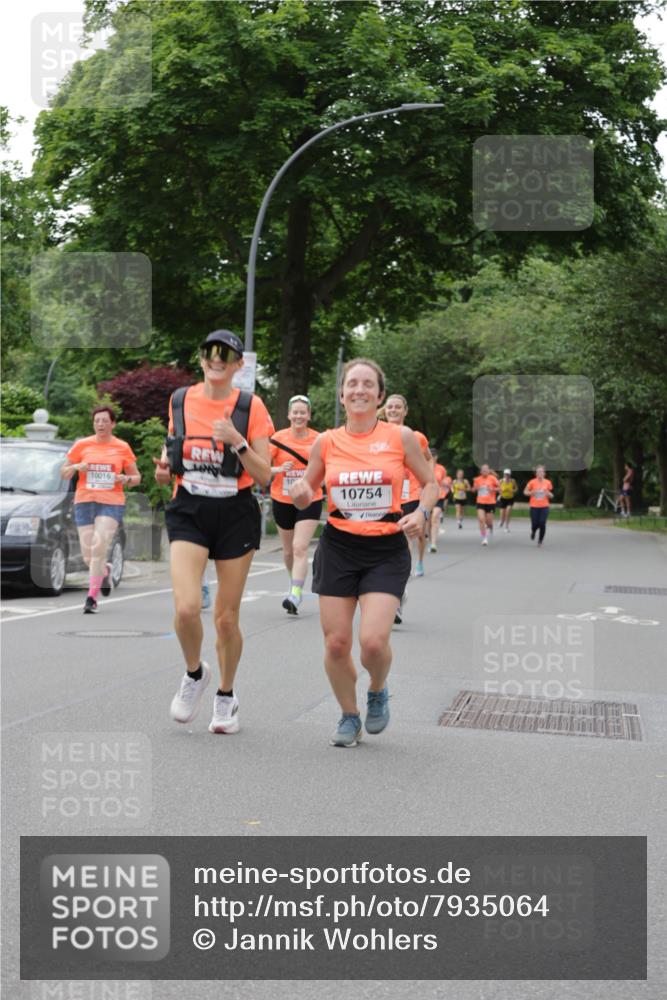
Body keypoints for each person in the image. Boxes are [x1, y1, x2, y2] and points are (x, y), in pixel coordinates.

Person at [290, 358, 438, 748]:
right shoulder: (326, 442)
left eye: (367, 384)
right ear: (341, 395)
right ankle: (349, 715)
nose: (359, 389)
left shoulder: (400, 437)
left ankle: (377, 688)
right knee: (336, 644)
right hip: (339, 547)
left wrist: (422, 513)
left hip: (385, 549)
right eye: (351, 383)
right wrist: (300, 492)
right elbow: (307, 490)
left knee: (373, 643)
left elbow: (430, 484)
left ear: (380, 395)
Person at [154, 329, 273, 734]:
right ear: (202, 358)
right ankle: (194, 674)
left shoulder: (250, 406)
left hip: (235, 512)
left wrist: (238, 442)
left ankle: (226, 696)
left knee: (225, 619)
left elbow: (266, 475)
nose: (216, 359)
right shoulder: (180, 400)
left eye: (225, 354)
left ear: (238, 364)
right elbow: (173, 452)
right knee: (187, 608)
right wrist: (164, 470)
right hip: (189, 508)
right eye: (210, 352)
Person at [60, 405, 141, 613]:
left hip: (111, 502)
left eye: (105, 421)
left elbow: (136, 477)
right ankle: (105, 571)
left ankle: (91, 599)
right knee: (88, 556)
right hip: (84, 501)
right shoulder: (82, 445)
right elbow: (63, 472)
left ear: (113, 424)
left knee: (98, 547)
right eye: (97, 421)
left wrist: (125, 478)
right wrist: (76, 467)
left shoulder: (122, 447)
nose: (100, 424)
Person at [270, 394, 322, 615]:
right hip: (282, 498)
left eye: (303, 412)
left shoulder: (319, 439)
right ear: (289, 415)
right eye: (295, 412)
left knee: (300, 547)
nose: (299, 416)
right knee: (289, 551)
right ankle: (293, 582)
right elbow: (261, 467)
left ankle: (295, 593)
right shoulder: (277, 438)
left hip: (310, 498)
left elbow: (328, 467)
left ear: (309, 415)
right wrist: (278, 470)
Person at [383, 393, 433, 577]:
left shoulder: (416, 437)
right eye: (390, 407)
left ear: (405, 411)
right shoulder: (377, 436)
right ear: (385, 411)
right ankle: (398, 574)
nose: (393, 410)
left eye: (398, 407)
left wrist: (428, 481)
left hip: (412, 492)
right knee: (394, 536)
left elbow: (429, 459)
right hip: (387, 495)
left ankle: (416, 563)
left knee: (413, 535)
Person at [524, 465, 554, 546]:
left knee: (542, 523)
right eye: (538, 472)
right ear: (536, 474)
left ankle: (540, 540)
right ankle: (533, 531)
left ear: (544, 473)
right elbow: (525, 492)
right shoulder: (532, 482)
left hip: (544, 506)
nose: (540, 473)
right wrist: (531, 492)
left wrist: (548, 494)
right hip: (534, 506)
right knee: (534, 524)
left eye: (541, 471)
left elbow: (551, 495)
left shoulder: (548, 482)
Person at [472, 463, 499, 545]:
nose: (484, 471)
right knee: (481, 519)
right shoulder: (477, 479)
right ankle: (484, 538)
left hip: (491, 503)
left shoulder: (493, 478)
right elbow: (473, 490)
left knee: (489, 522)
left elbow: (500, 489)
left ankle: (490, 526)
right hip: (480, 502)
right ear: (480, 471)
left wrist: (493, 489)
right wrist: (476, 488)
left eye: (486, 470)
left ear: (488, 471)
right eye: (483, 470)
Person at [429, 452, 449, 553]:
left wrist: (446, 484)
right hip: (427, 496)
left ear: (436, 457)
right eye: (431, 456)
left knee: (435, 518)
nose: (433, 458)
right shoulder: (424, 466)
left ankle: (433, 544)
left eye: (434, 456)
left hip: (439, 496)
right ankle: (430, 539)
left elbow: (446, 481)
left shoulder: (441, 469)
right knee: (428, 521)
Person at [498, 468, 519, 533]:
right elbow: (498, 489)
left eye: (508, 474)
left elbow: (516, 489)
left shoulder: (513, 481)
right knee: (502, 514)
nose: (507, 475)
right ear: (504, 474)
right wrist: (501, 491)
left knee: (508, 512)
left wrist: (512, 490)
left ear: (510, 475)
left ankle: (506, 527)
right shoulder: (501, 481)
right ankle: (501, 521)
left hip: (510, 499)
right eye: (506, 474)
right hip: (503, 498)